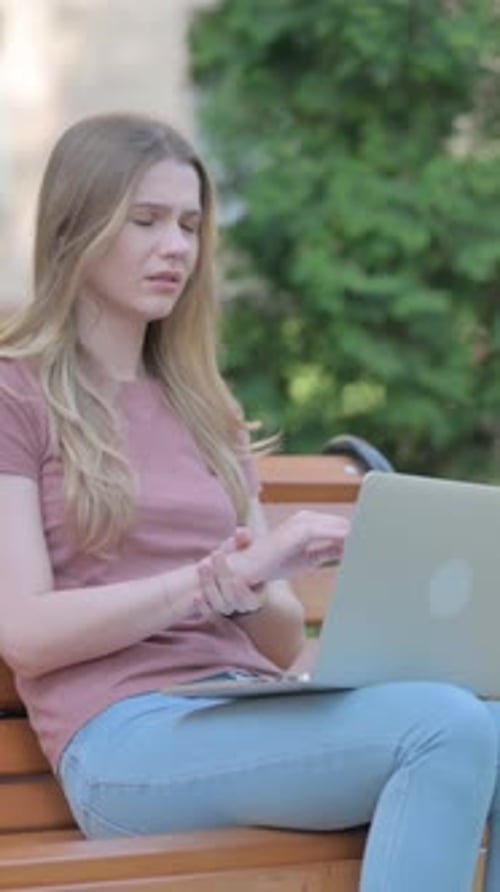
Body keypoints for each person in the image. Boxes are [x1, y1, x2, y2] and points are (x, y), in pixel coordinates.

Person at [0, 111, 499, 892]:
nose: (177, 247)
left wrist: (257, 581)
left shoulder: (206, 406)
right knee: (446, 726)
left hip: (243, 708)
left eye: (191, 225)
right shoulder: (15, 393)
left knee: (489, 721)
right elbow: (24, 633)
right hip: (124, 741)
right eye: (147, 221)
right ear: (78, 225)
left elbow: (272, 643)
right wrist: (203, 583)